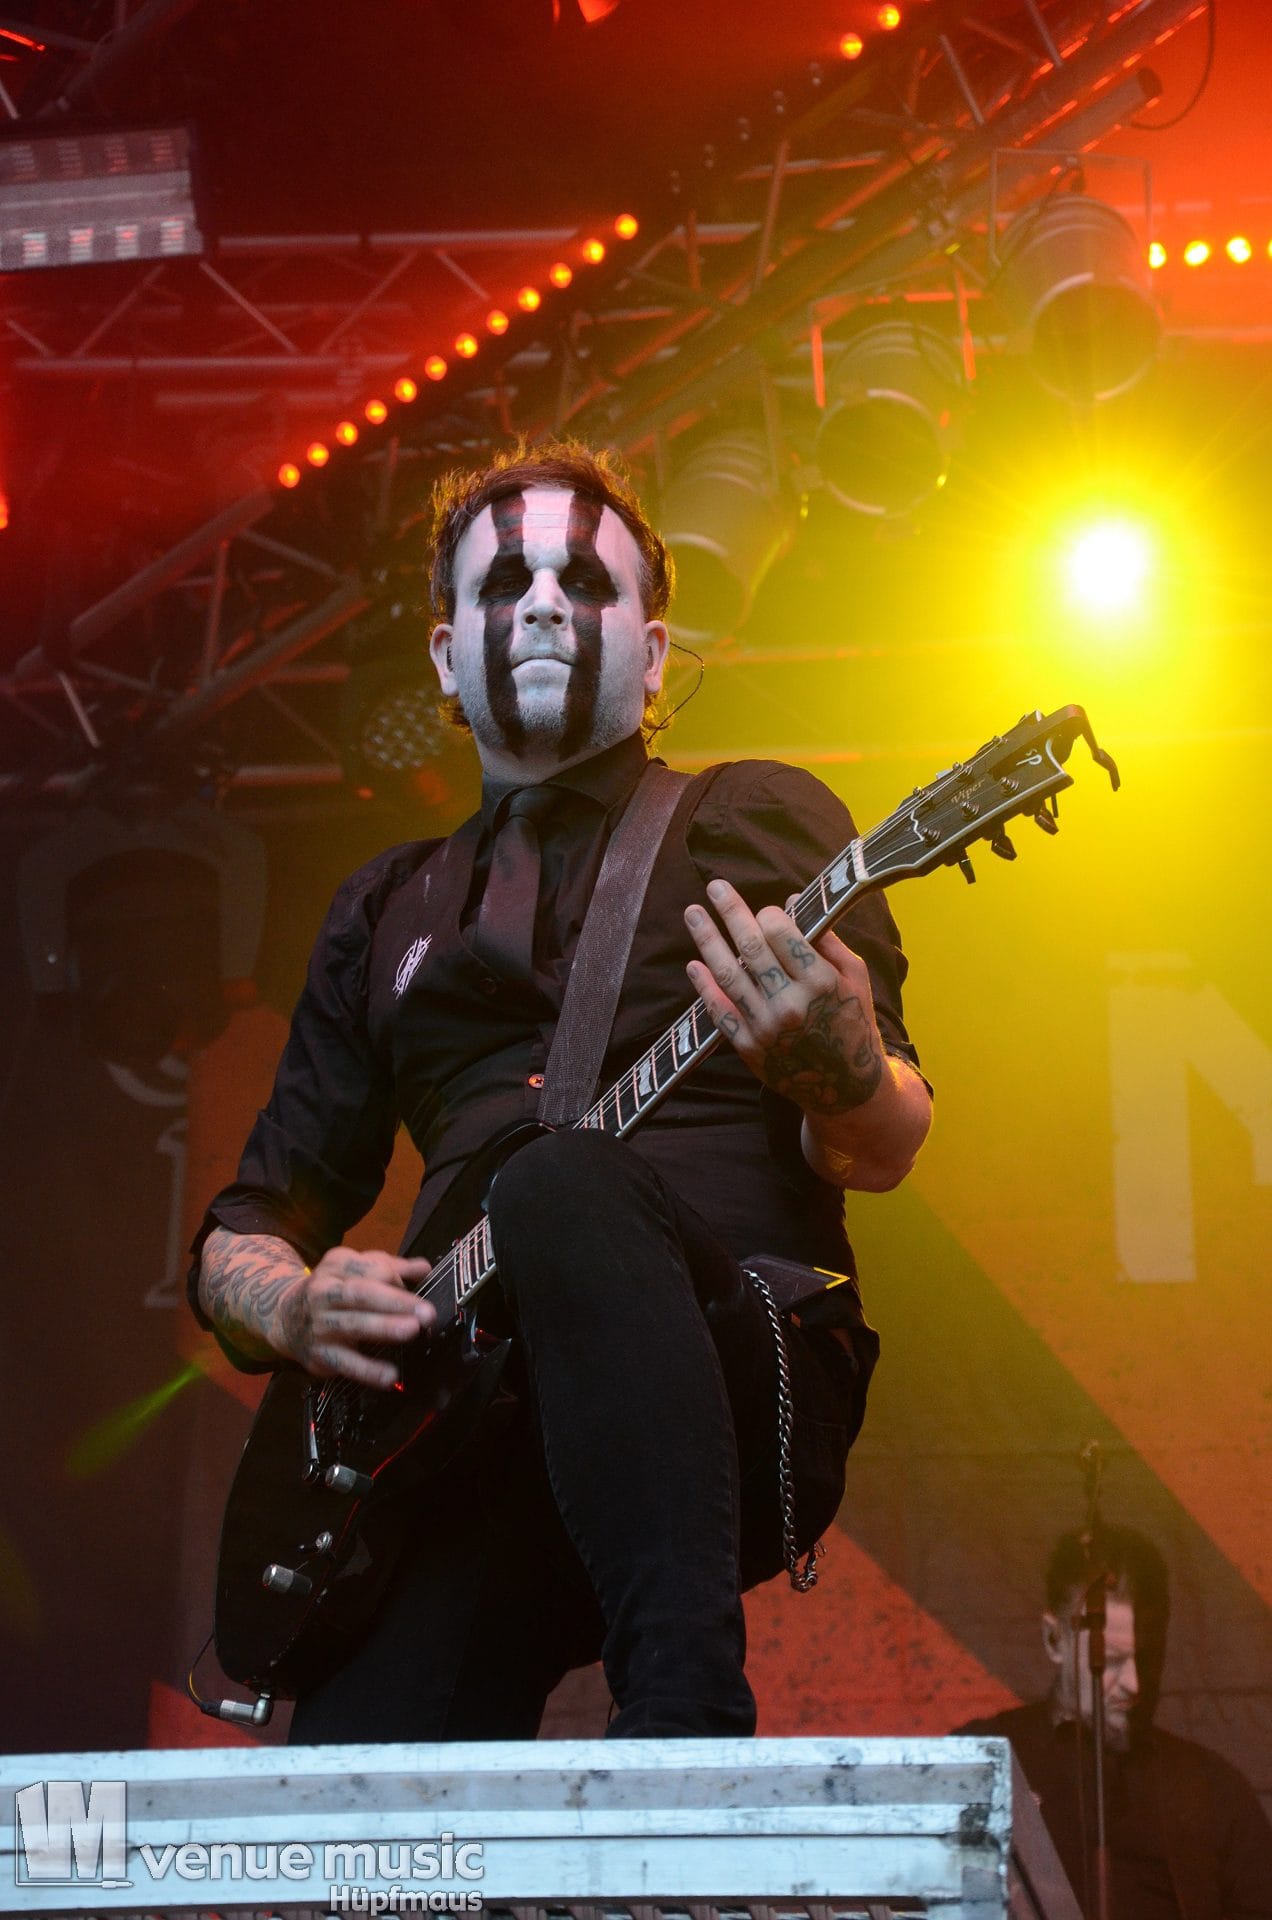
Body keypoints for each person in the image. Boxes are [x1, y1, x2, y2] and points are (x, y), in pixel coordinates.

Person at [190, 440, 933, 1743]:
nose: (541, 605)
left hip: (731, 1370)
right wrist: (296, 1307)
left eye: (584, 583)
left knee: (563, 1182)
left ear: (653, 654)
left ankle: (686, 1722)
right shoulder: (384, 908)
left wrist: (843, 1062)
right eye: (506, 583)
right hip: (456, 1427)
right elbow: (244, 1226)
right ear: (444, 659)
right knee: (368, 1803)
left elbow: (887, 1144)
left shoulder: (749, 819)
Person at [958, 1526, 1272, 1919]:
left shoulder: (1211, 1789)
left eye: (1149, 1656)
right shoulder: (975, 1764)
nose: (1135, 1683)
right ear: (1054, 1639)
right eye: (1111, 1660)